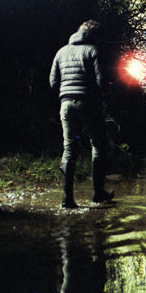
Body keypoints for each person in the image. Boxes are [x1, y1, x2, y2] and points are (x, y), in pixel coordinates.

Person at [50, 20, 114, 208]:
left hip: (66, 104)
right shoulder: (93, 50)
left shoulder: (61, 51)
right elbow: (101, 82)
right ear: (95, 36)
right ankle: (98, 194)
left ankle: (67, 200)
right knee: (98, 146)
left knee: (69, 149)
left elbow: (53, 83)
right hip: (89, 104)